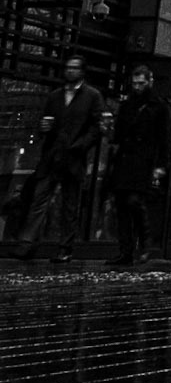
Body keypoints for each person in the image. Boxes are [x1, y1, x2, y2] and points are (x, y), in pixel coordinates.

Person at [16, 53, 107, 264]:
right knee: (39, 200)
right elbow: (46, 123)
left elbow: (97, 127)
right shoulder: (55, 96)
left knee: (69, 206)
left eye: (74, 68)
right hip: (52, 156)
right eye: (68, 68)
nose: (70, 71)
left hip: (73, 157)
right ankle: (27, 244)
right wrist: (44, 128)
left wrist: (81, 145)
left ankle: (65, 248)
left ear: (82, 72)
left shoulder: (92, 96)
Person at [107, 63, 169, 266]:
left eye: (141, 83)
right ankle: (126, 250)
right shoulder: (128, 105)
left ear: (150, 82)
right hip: (126, 158)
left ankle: (144, 243)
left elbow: (163, 138)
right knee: (122, 205)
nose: (137, 87)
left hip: (143, 160)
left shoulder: (159, 107)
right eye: (135, 83)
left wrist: (160, 165)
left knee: (134, 201)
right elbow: (119, 133)